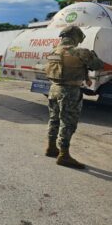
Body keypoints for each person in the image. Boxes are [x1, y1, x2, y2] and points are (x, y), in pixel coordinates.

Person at [45, 25, 104, 169]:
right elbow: (97, 65)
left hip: (54, 89)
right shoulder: (79, 52)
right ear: (75, 37)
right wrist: (92, 55)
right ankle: (64, 155)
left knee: (54, 119)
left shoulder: (54, 50)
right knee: (68, 122)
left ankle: (51, 147)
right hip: (70, 91)